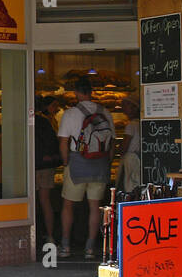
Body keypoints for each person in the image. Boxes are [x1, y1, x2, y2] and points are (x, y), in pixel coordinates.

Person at [56, 77, 115, 259]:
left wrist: (66, 162)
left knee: (68, 205)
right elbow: (112, 142)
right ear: (91, 92)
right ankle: (90, 248)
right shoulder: (105, 112)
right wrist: (107, 162)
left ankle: (65, 245)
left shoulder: (70, 114)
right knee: (94, 206)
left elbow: (64, 142)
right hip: (99, 165)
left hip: (77, 164)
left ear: (76, 93)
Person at [34, 96, 62, 249]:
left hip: (31, 166)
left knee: (32, 203)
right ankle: (50, 236)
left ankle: (36, 234)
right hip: (46, 166)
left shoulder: (26, 120)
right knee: (45, 202)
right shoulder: (46, 121)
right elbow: (54, 141)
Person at [115, 96, 143, 198]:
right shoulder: (140, 123)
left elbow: (124, 147)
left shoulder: (131, 125)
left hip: (130, 161)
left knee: (127, 189)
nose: (123, 108)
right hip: (138, 160)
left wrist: (116, 149)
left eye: (126, 105)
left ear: (134, 108)